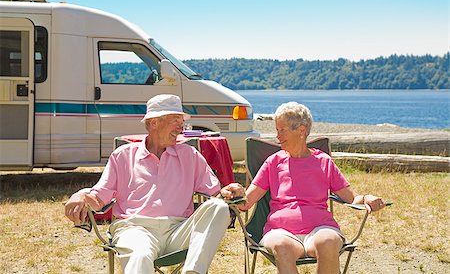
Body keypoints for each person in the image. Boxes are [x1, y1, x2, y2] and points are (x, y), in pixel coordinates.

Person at [65, 94, 245, 274]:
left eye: (181, 121)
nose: (180, 127)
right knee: (140, 255)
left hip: (178, 230)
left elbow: (215, 195)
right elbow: (99, 199)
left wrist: (228, 192)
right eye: (175, 120)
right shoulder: (123, 156)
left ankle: (193, 272)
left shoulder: (190, 155)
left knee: (219, 208)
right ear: (153, 123)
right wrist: (80, 195)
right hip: (135, 228)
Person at [238, 102, 387, 274]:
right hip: (281, 231)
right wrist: (234, 193)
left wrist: (367, 198)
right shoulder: (273, 162)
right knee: (281, 246)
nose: (277, 136)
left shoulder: (323, 161)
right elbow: (246, 202)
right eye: (277, 130)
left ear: (301, 130)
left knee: (329, 242)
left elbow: (352, 198)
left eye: (282, 130)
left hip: (320, 229)